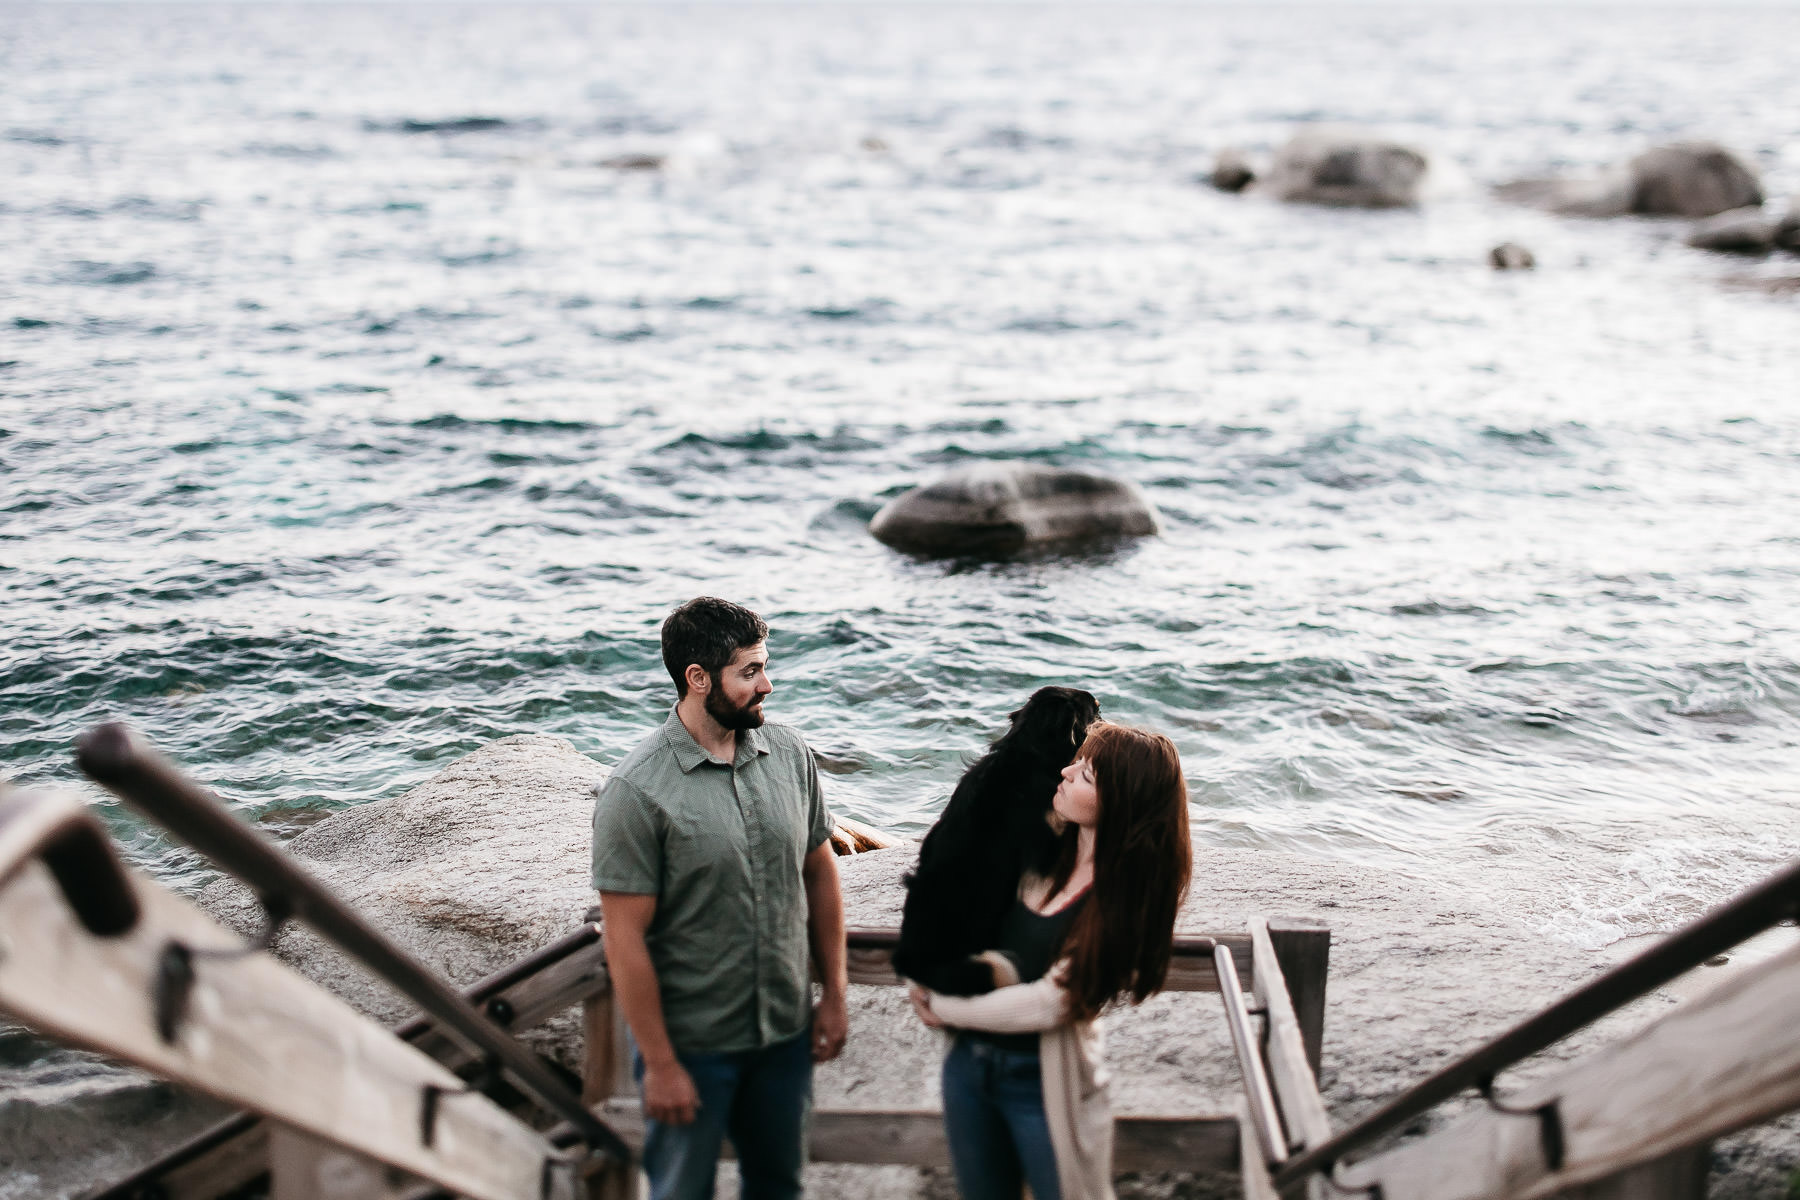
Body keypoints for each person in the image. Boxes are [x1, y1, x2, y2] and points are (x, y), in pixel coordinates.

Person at [592, 597, 848, 1200]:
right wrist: (660, 1064)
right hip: (692, 1046)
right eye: (750, 672)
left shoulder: (788, 755)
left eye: (765, 666)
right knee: (681, 1192)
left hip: (784, 1034)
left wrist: (834, 994)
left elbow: (820, 874)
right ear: (698, 679)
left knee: (779, 1187)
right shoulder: (636, 792)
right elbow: (623, 938)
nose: (768, 684)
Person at [908, 722, 1192, 1200]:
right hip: (968, 1067)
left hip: (1044, 1082)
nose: (1065, 771)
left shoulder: (1123, 896)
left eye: (1085, 775)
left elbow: (1054, 1003)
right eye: (1075, 761)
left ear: (1119, 801)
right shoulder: (1034, 851)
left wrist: (944, 1005)